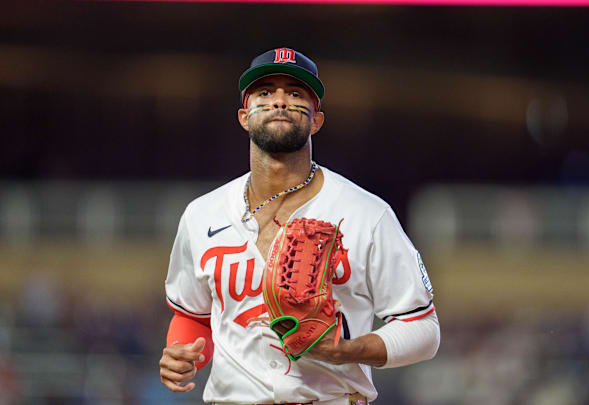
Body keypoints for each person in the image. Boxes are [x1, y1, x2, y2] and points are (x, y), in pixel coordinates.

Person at [158, 47, 440, 405]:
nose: (279, 101)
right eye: (265, 92)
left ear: (317, 120)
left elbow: (423, 330)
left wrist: (346, 351)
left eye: (295, 93)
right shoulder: (202, 215)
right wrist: (182, 355)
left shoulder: (366, 214)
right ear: (244, 117)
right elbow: (192, 316)